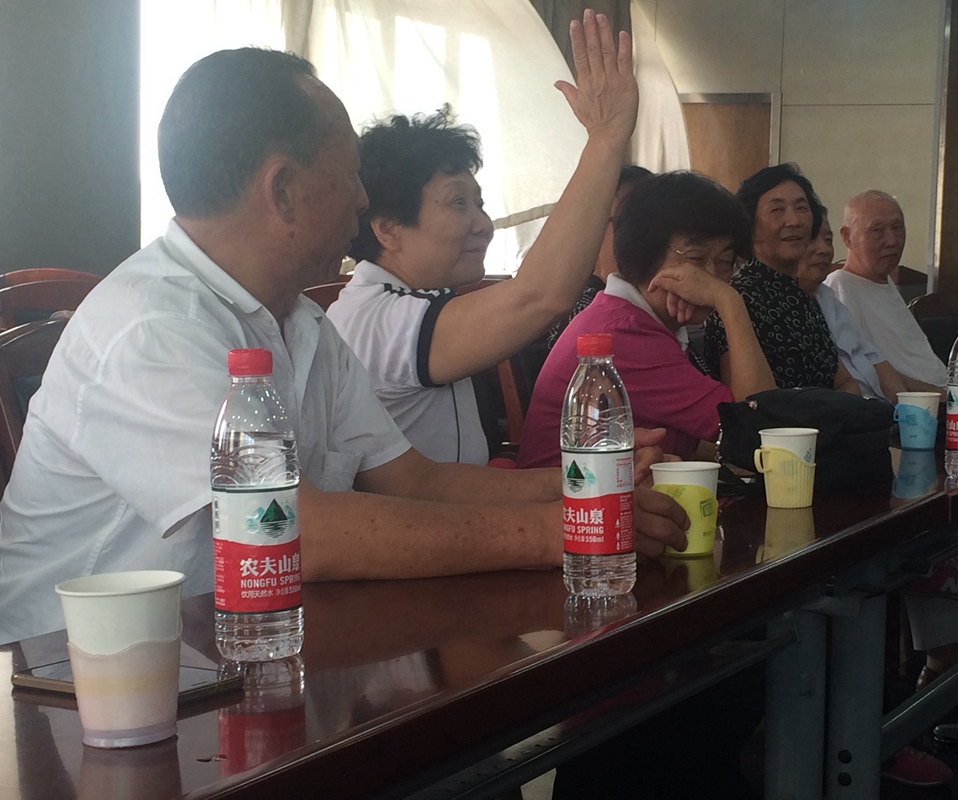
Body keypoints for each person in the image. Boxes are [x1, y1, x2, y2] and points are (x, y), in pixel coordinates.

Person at [0, 20, 688, 644]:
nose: (361, 200)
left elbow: (410, 480)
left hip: (242, 650)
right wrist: (559, 530)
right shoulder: (151, 327)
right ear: (282, 190)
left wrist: (589, 490)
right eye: (351, 174)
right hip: (80, 684)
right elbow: (293, 531)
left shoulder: (299, 322)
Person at [327, 41, 640, 464]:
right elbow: (541, 297)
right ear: (388, 229)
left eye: (480, 203)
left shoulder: (410, 302)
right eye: (458, 203)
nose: (483, 224)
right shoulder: (378, 321)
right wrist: (606, 138)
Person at [517, 171, 777, 467]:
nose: (712, 277)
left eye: (725, 262)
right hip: (573, 494)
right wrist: (730, 301)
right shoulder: (624, 333)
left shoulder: (630, 316)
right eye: (695, 259)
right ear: (643, 253)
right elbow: (760, 427)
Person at [704, 164, 860, 394]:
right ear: (750, 224)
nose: (794, 221)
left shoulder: (801, 297)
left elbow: (845, 381)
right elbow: (746, 402)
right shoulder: (738, 299)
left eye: (802, 208)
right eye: (777, 210)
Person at [824, 190, 946, 394]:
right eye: (877, 230)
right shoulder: (840, 286)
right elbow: (865, 370)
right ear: (847, 237)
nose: (892, 241)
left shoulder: (884, 281)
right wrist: (941, 397)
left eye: (897, 228)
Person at [797, 212, 906, 404]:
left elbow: (875, 359)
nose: (824, 249)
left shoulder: (827, 297)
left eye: (828, 240)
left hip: (877, 410)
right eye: (811, 239)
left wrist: (907, 409)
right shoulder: (792, 304)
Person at [546, 164, 653, 349]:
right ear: (591, 230)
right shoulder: (584, 308)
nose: (650, 235)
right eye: (632, 221)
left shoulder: (661, 301)